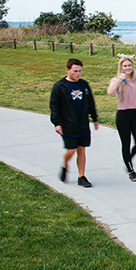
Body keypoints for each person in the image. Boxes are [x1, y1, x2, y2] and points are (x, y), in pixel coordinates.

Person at [50, 58, 99, 187]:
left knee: (81, 149)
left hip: (82, 123)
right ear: (67, 70)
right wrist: (57, 123)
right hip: (68, 123)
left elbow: (90, 102)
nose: (78, 74)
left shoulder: (84, 85)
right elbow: (54, 106)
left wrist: (94, 118)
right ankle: (64, 164)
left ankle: (81, 176)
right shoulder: (59, 87)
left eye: (80, 71)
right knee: (71, 149)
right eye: (75, 71)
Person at [107, 57, 136, 182]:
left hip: (134, 113)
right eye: (125, 66)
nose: (127, 68)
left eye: (129, 65)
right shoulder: (117, 80)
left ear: (132, 67)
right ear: (121, 67)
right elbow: (110, 92)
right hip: (122, 115)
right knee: (126, 144)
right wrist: (120, 80)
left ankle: (128, 160)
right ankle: (131, 170)